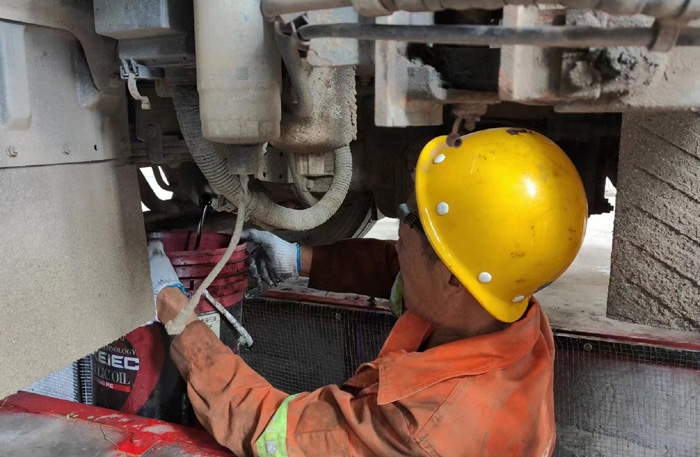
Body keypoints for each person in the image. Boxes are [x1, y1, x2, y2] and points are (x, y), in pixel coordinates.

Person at [148, 128, 587, 457]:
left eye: (410, 218)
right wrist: (299, 259)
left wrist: (177, 313)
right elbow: (403, 270)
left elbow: (269, 429)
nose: (398, 232)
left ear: (454, 278)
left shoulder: (421, 425)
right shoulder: (513, 316)